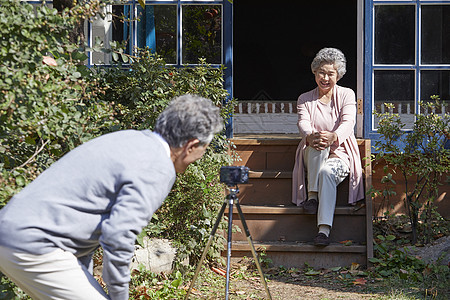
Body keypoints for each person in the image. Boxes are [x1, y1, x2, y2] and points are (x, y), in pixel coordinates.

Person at [0, 94, 223, 300]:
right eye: (204, 148)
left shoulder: (129, 140)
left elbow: (84, 220)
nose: (201, 155)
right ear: (192, 145)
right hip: (35, 242)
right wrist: (119, 296)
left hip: (12, 231)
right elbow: (118, 235)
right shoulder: (158, 167)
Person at [292, 48, 364, 247]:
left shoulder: (347, 95)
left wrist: (334, 136)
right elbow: (303, 124)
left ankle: (323, 230)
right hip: (312, 151)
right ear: (314, 72)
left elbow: (349, 122)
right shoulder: (305, 99)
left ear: (338, 75)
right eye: (321, 72)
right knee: (317, 142)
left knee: (326, 171)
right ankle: (312, 196)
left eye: (330, 73)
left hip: (341, 153)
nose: (325, 77)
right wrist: (311, 136)